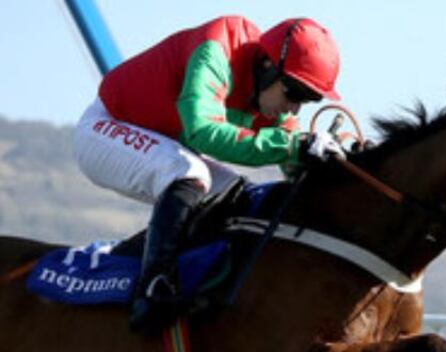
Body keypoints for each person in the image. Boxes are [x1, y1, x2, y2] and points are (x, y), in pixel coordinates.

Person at [73, 16, 346, 331]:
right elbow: (203, 132)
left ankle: (143, 266)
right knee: (189, 173)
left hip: (161, 142)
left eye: (308, 99)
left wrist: (334, 163)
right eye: (295, 93)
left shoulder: (271, 96)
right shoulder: (218, 48)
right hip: (105, 128)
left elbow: (293, 163)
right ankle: (151, 291)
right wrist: (294, 147)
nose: (294, 109)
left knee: (239, 196)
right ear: (268, 66)